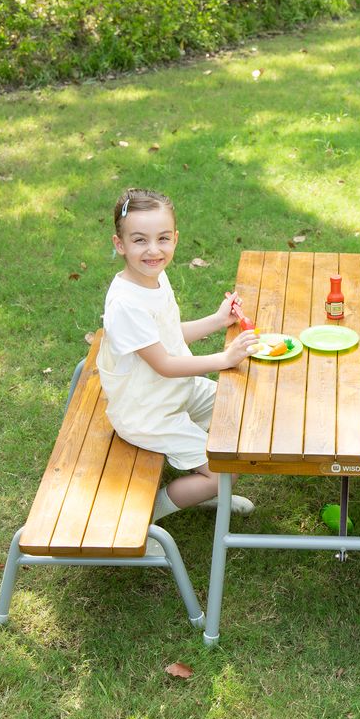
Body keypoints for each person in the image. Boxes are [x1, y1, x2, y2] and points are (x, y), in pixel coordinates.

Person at [97, 188, 259, 521]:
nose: (154, 250)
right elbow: (165, 363)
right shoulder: (126, 303)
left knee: (244, 412)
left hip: (174, 393)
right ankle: (147, 513)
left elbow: (167, 337)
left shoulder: (153, 276)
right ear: (120, 245)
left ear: (175, 238)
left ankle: (203, 486)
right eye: (140, 240)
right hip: (148, 412)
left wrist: (217, 321)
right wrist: (224, 360)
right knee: (224, 471)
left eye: (163, 238)